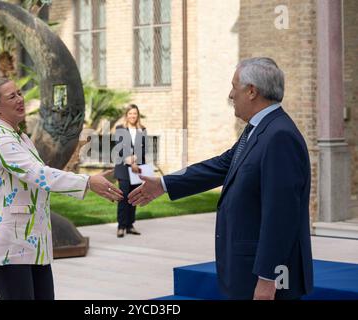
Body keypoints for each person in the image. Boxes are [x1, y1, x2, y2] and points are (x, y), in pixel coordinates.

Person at [128, 57, 313, 300]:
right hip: (245, 272)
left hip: (265, 280)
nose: (230, 94)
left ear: (251, 92)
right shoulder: (260, 128)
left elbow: (282, 215)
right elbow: (222, 165)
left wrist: (268, 279)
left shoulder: (279, 136)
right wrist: (164, 184)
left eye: (234, 87)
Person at [0, 78, 123, 300]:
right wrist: (87, 182)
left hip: (33, 243)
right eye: (12, 96)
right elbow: (38, 174)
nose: (20, 99)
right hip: (9, 246)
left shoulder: (20, 136)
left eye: (19, 93)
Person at [113, 104, 147, 238]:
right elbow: (119, 149)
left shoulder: (142, 130)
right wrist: (130, 161)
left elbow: (144, 149)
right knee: (123, 197)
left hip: (137, 169)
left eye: (135, 114)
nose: (133, 116)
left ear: (137, 115)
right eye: (130, 113)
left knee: (134, 197)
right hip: (123, 168)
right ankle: (121, 226)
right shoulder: (120, 129)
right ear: (126, 115)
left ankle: (130, 225)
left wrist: (135, 161)